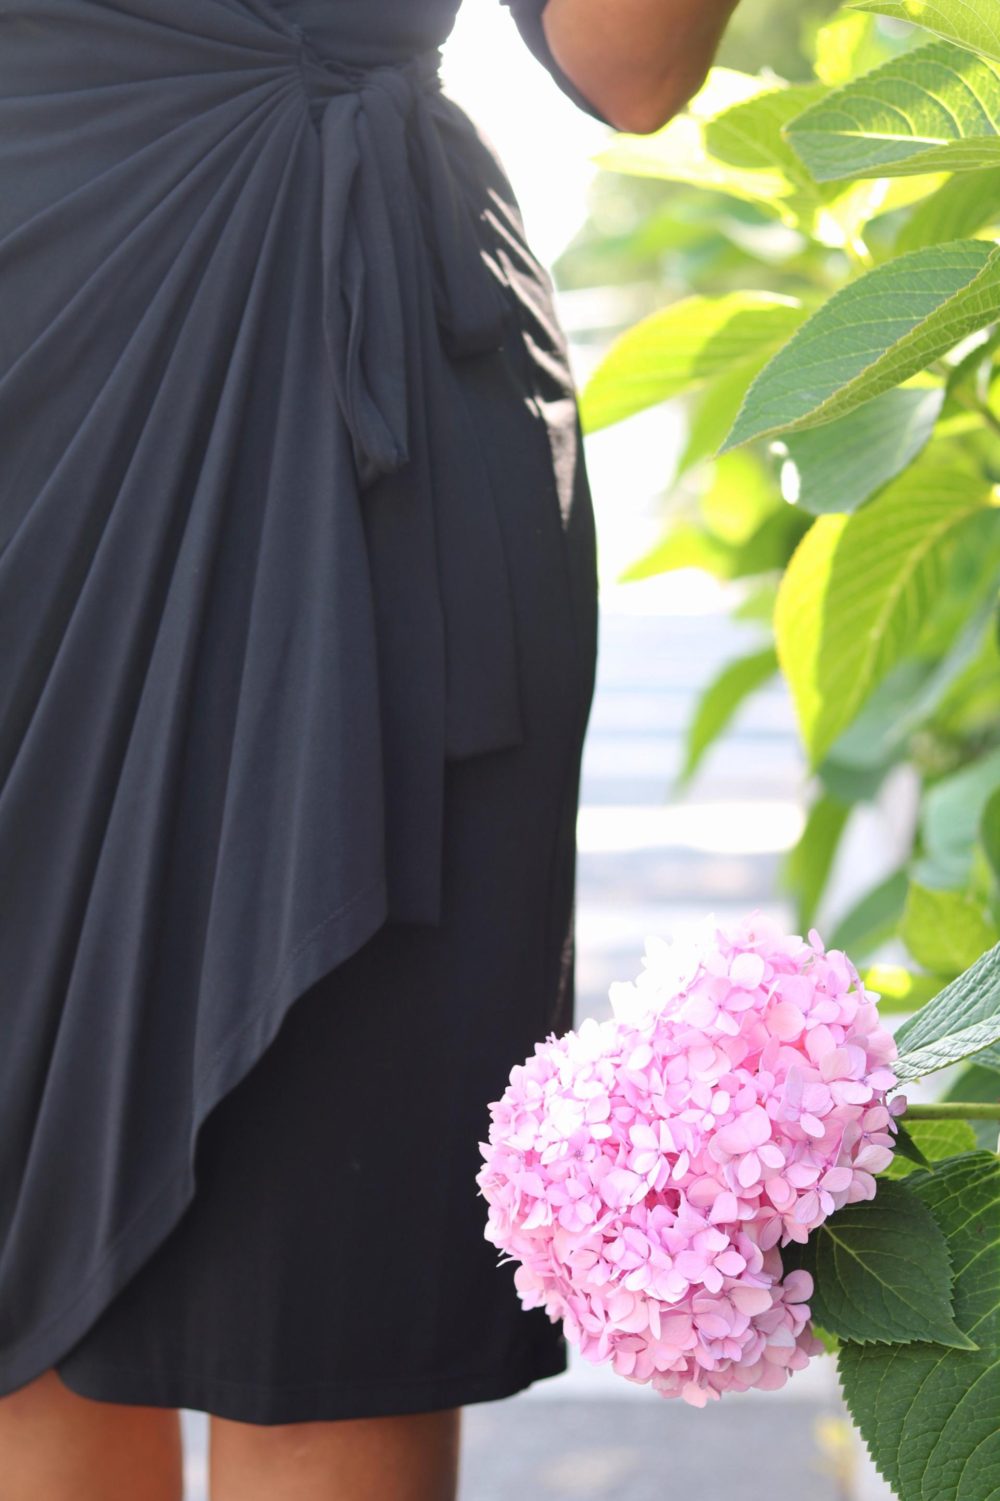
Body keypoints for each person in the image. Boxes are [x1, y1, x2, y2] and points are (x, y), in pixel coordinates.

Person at [0, 0, 740, 1497]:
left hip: (376, 408)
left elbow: (629, 65)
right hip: (51, 347)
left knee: (328, 1284)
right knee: (30, 1259)